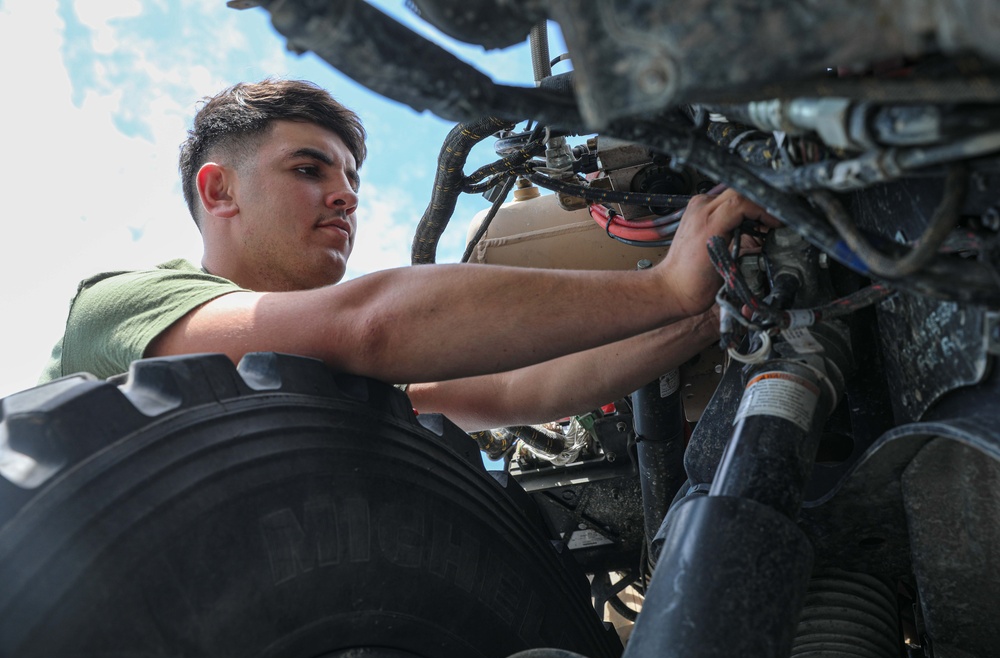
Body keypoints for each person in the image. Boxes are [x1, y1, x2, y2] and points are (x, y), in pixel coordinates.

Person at [40, 78, 776, 432]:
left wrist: (708, 310)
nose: (345, 196)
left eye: (351, 179)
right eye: (309, 169)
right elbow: (366, 325)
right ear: (219, 189)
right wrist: (666, 290)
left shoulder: (328, 380)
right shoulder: (120, 304)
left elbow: (525, 392)